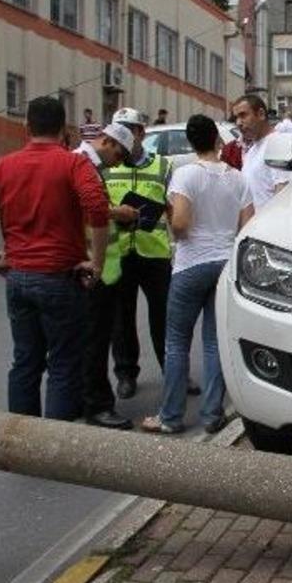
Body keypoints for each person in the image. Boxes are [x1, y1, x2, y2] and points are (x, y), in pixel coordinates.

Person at [0, 96, 109, 421]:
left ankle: (22, 440)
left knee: (25, 360)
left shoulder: (4, 165)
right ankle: (52, 446)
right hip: (60, 278)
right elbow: (97, 207)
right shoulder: (73, 163)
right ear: (64, 130)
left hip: (19, 278)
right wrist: (97, 261)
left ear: (26, 126)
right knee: (64, 362)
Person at [142, 114, 254, 435]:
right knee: (213, 342)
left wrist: (173, 225)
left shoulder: (185, 175)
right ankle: (211, 415)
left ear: (190, 142)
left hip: (191, 264)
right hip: (224, 264)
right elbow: (248, 223)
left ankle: (171, 417)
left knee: (176, 342)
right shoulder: (237, 178)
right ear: (217, 140)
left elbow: (180, 224)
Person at [103, 107, 173, 400]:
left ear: (141, 133)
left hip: (155, 253)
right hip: (119, 252)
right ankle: (126, 374)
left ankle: (173, 371)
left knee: (164, 318)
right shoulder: (106, 167)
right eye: (116, 131)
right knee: (122, 318)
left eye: (128, 130)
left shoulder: (163, 166)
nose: (121, 137)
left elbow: (174, 208)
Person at [73, 122, 139, 429]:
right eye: (120, 155)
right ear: (109, 143)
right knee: (94, 341)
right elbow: (87, 209)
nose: (119, 163)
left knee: (91, 339)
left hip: (100, 270)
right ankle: (98, 406)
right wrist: (118, 213)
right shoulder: (82, 163)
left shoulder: (88, 164)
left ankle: (82, 399)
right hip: (91, 270)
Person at [231, 94, 292, 209]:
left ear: (261, 114)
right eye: (236, 118)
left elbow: (283, 195)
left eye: (243, 115)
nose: (238, 122)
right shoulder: (252, 150)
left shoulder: (279, 143)